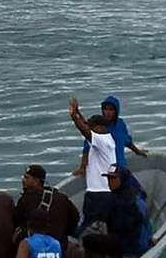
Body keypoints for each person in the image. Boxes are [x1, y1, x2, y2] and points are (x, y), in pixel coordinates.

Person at [69, 97, 116, 232]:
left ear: (101, 127)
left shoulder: (102, 141)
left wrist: (73, 118)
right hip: (104, 193)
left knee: (91, 229)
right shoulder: (105, 138)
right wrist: (77, 112)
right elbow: (85, 125)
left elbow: (85, 130)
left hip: (99, 194)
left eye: (92, 128)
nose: (90, 130)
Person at [82, 164, 149, 258]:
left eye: (113, 179)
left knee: (87, 240)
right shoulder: (129, 195)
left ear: (122, 179)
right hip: (129, 241)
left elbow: (125, 228)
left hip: (129, 246)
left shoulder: (126, 201)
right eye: (109, 179)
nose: (110, 182)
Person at [74, 96, 147, 178]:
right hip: (106, 170)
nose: (108, 112)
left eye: (111, 109)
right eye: (105, 109)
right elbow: (87, 148)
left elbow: (128, 142)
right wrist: (82, 167)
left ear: (116, 111)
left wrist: (138, 152)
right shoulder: (99, 128)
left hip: (121, 167)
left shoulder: (120, 124)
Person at [14, 165, 79, 255]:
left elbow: (17, 223)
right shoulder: (62, 198)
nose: (23, 180)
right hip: (60, 246)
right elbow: (74, 219)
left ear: (36, 181)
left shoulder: (26, 200)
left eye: (26, 178)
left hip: (33, 249)